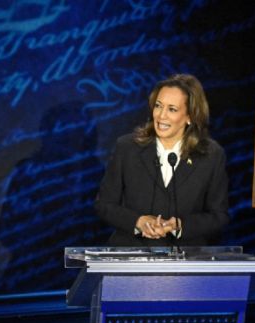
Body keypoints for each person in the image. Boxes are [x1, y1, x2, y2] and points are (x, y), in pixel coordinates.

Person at [95, 73, 229, 246]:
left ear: (190, 116)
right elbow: (104, 205)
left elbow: (219, 216)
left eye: (172, 109)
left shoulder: (211, 155)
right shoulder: (127, 148)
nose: (161, 116)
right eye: (158, 106)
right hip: (132, 254)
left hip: (185, 260)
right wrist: (138, 221)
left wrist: (180, 225)